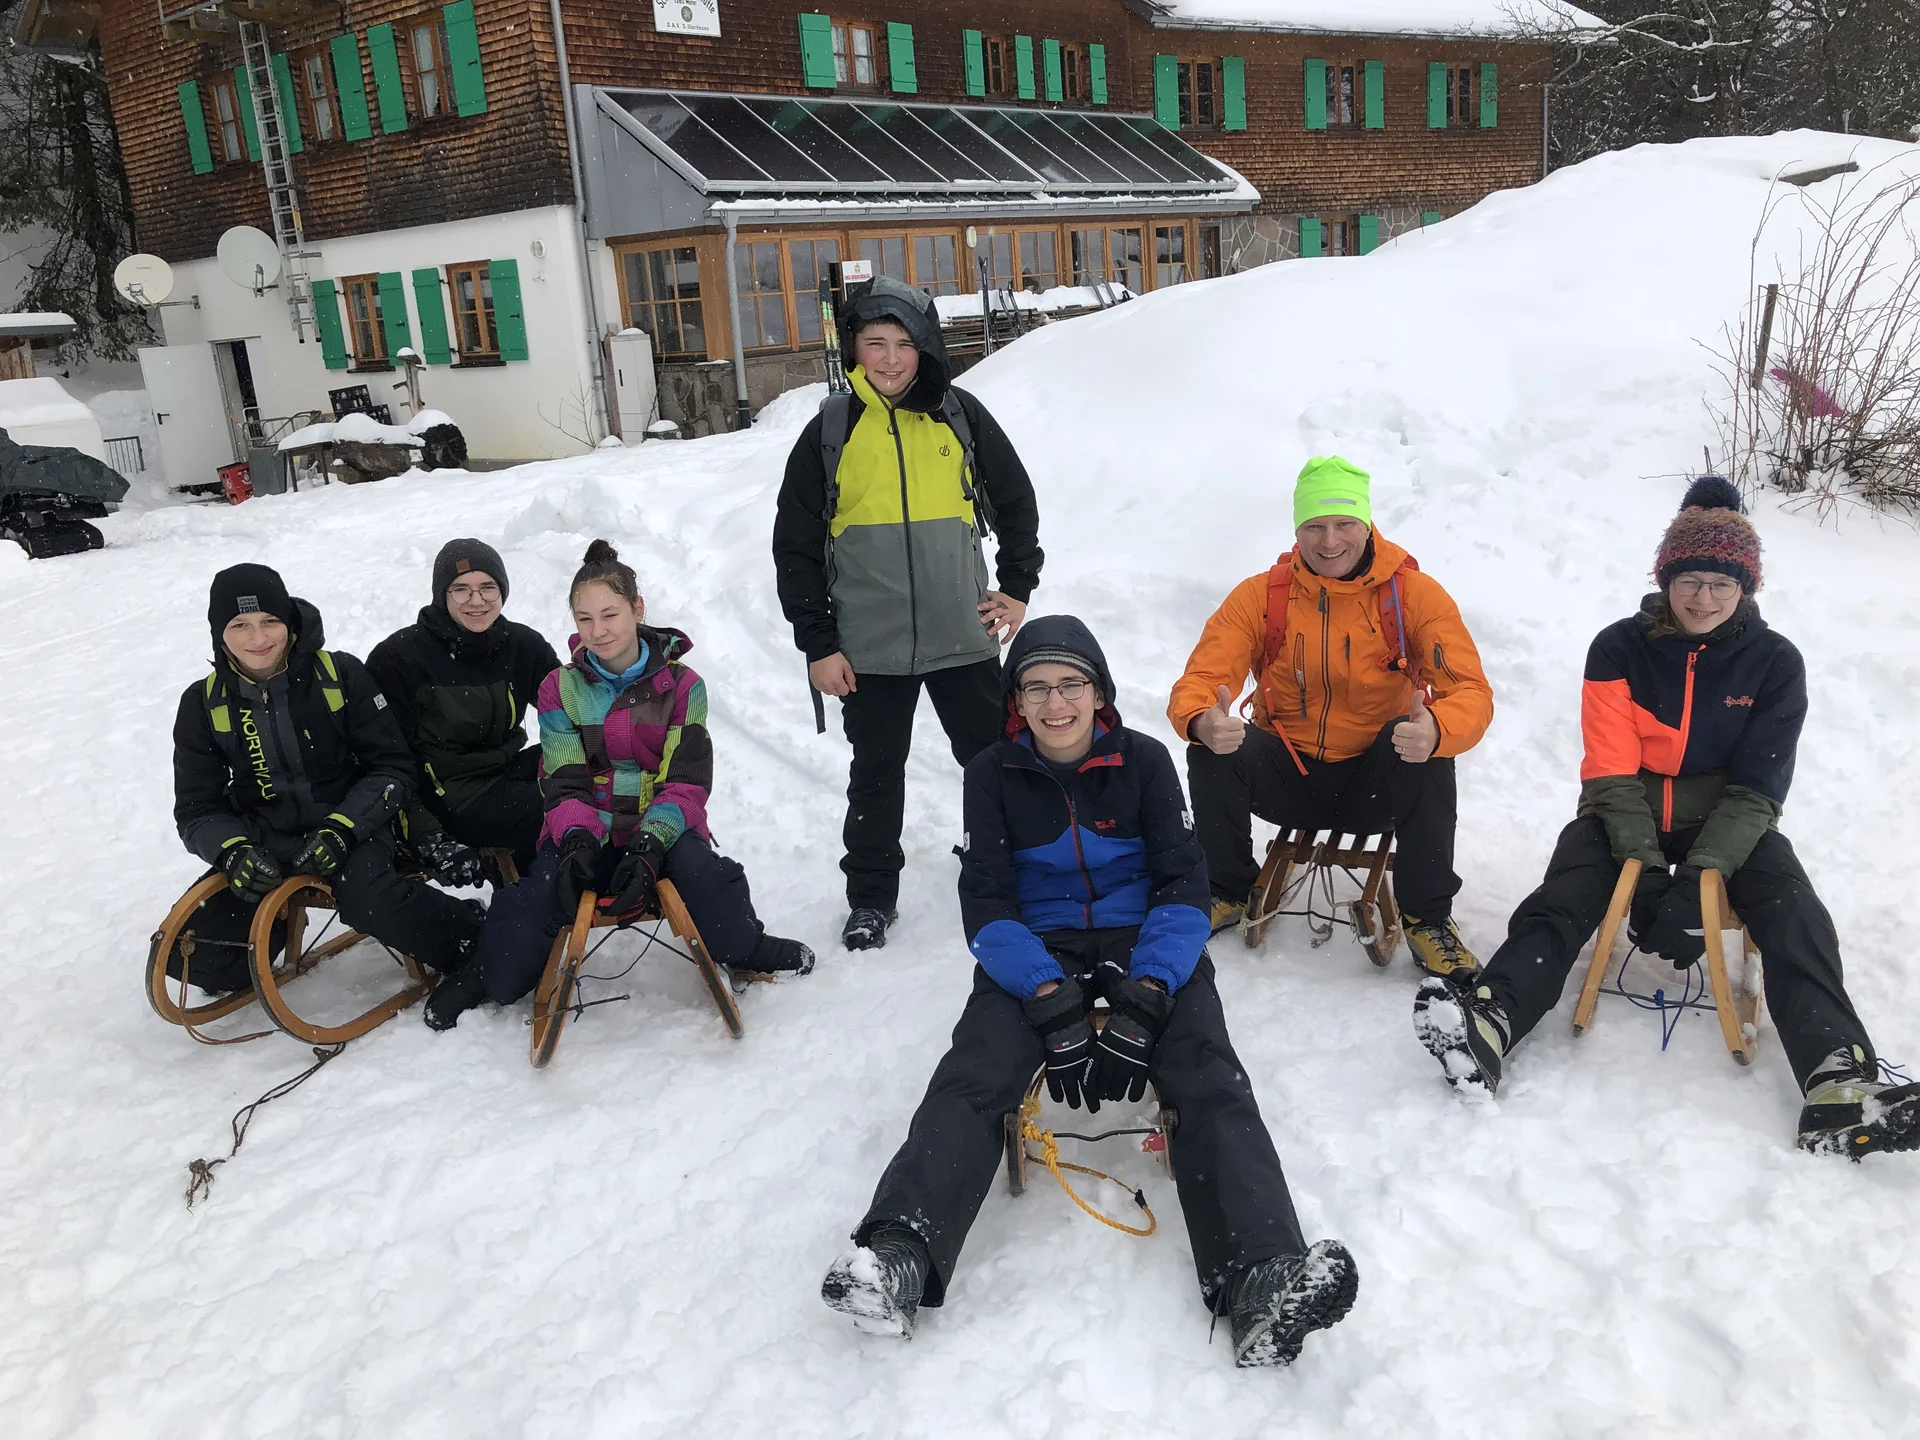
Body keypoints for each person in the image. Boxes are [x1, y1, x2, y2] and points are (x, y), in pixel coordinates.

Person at [820, 615, 1358, 1366]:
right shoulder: (991, 773)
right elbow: (987, 903)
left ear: (1098, 692)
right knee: (977, 1069)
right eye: (1035, 688)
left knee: (1207, 1070)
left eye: (1070, 684)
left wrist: (1147, 993)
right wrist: (1044, 993)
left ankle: (1264, 1278)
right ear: (1016, 702)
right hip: (1034, 944)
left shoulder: (1142, 762)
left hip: (1144, 938)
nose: (1054, 703)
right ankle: (899, 1252)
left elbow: (1183, 885)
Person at [1413, 477, 1920, 1156]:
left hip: (1729, 818)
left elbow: (1757, 790)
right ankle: (1493, 1019)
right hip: (1627, 806)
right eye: (1689, 579)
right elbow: (1612, 772)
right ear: (1666, 577)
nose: (1703, 597)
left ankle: (1837, 1084)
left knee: (1794, 910)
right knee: (1564, 896)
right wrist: (1650, 873)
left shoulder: (1774, 664)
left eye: (1721, 582)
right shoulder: (1619, 649)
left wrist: (1700, 877)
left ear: (1746, 587)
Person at [424, 540, 813, 1030]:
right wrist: (578, 838)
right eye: (584, 619)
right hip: (592, 826)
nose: (598, 631)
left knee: (711, 889)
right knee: (524, 922)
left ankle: (746, 945)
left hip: (664, 828)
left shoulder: (682, 685)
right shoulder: (560, 687)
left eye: (609, 615)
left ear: (637, 609)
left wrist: (651, 843)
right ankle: (486, 968)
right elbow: (563, 779)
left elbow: (686, 781)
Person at [773, 275, 1044, 952]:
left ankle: (1011, 868)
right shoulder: (832, 430)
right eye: (875, 344)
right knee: (876, 772)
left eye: (902, 344)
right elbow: (795, 547)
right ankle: (870, 897)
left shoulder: (960, 415)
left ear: (924, 347)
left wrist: (1017, 585)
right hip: (869, 642)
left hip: (963, 632)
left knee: (994, 761)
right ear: (853, 351)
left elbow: (1016, 503)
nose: (890, 359)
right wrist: (819, 643)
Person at [1167, 456, 1494, 975]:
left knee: (1425, 745)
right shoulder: (1263, 595)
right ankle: (1226, 888)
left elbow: (1471, 691)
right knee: (1215, 745)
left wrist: (1438, 727)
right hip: (1288, 777)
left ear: (1367, 524)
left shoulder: (1415, 595)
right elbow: (1201, 680)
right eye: (1314, 526)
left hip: (1375, 785)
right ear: (1296, 529)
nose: (1329, 541)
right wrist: (1203, 718)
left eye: (1344, 524)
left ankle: (1428, 919)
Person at [170, 563, 482, 992]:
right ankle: (264, 940)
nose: (258, 639)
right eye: (240, 624)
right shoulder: (203, 703)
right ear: (218, 632)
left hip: (352, 828)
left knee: (369, 898)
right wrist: (233, 851)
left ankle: (474, 936)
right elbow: (196, 807)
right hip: (264, 837)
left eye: (269, 621)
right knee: (188, 954)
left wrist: (342, 828)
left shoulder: (339, 675)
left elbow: (392, 767)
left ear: (289, 622)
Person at [366, 538, 561, 882]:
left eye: (488, 587)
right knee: (548, 805)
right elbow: (385, 758)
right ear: (441, 594)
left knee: (589, 780)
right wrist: (424, 831)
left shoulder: (522, 646)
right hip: (446, 793)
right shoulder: (400, 658)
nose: (477, 601)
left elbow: (569, 709)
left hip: (505, 769)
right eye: (461, 590)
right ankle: (534, 899)